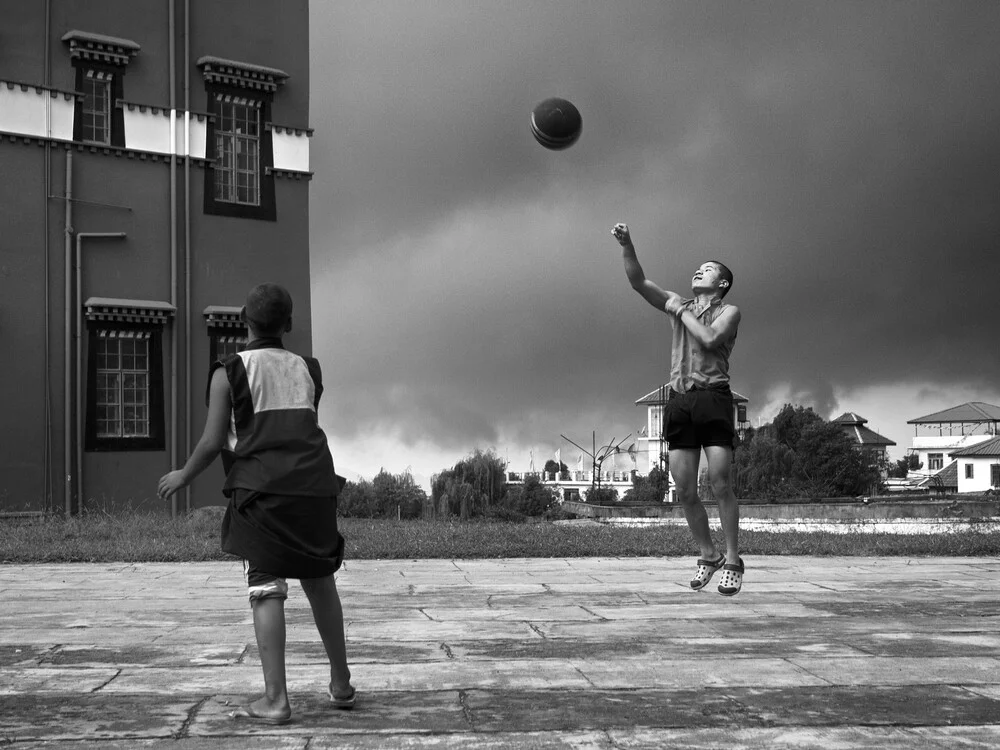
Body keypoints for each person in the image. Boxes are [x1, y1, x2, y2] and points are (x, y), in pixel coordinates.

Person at [157, 282, 355, 724]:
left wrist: (183, 475)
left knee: (266, 588)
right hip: (316, 486)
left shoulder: (228, 372)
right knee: (321, 581)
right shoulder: (309, 368)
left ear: (243, 320)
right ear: (288, 324)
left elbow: (212, 442)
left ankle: (276, 700)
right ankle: (341, 684)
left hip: (261, 492)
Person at [612, 223, 745, 596]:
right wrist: (628, 245)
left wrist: (679, 310)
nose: (698, 271)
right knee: (685, 490)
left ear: (722, 284)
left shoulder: (729, 311)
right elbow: (639, 283)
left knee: (720, 484)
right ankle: (709, 555)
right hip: (681, 403)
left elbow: (708, 338)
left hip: (715, 398)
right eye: (697, 268)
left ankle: (733, 560)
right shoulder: (677, 304)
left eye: (708, 269)